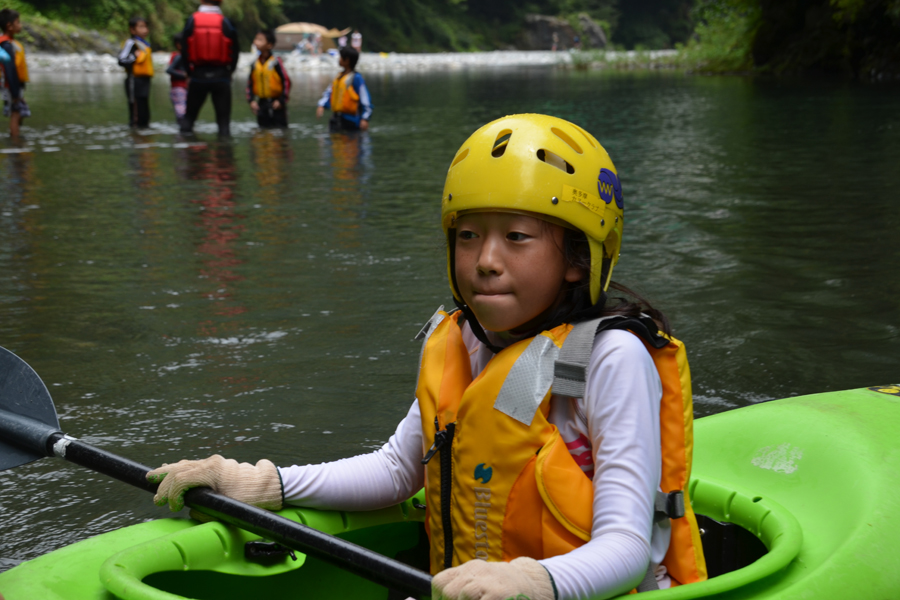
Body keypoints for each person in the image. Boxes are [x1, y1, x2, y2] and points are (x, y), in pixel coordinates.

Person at [146, 114, 707, 600]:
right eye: (468, 236)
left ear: (578, 259)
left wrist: (533, 582)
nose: (485, 260)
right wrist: (261, 482)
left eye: (515, 236)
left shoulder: (611, 358)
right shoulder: (465, 341)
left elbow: (628, 545)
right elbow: (397, 468)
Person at [179, 0, 239, 136]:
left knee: (188, 120)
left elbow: (184, 49)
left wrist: (188, 72)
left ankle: (185, 153)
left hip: (198, 76)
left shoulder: (191, 20)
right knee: (224, 124)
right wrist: (230, 71)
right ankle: (225, 153)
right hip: (221, 76)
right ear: (221, 2)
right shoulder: (226, 22)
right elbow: (235, 50)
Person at [315, 46, 371, 132]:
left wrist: (365, 118)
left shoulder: (356, 78)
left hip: (351, 121)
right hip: (336, 118)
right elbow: (329, 93)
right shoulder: (339, 77)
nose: (339, 59)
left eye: (341, 57)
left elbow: (365, 100)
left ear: (347, 60)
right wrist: (321, 105)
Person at [246, 29, 291, 129]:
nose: (255, 42)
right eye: (256, 39)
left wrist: (281, 100)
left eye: (260, 40)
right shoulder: (255, 63)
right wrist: (251, 101)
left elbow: (286, 81)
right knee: (262, 129)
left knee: (280, 130)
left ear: (269, 45)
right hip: (261, 103)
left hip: (277, 103)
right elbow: (250, 83)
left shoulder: (276, 62)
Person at [117, 16, 154, 129]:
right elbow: (121, 60)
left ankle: (144, 132)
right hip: (134, 81)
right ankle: (136, 135)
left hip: (144, 81)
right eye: (141, 27)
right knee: (136, 111)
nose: (145, 30)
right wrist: (133, 57)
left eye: (146, 27)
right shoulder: (131, 43)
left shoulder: (144, 44)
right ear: (132, 30)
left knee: (144, 110)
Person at [0, 8, 30, 138]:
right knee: (16, 112)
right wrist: (15, 91)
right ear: (9, 26)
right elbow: (9, 69)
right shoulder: (7, 45)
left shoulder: (11, 43)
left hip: (15, 84)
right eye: (18, 22)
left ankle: (15, 135)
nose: (20, 25)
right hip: (11, 85)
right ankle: (16, 143)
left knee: (19, 111)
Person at [166, 33, 189, 128]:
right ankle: (183, 131)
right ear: (179, 45)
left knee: (183, 111)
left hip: (183, 88)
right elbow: (169, 70)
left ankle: (182, 131)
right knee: (181, 112)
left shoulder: (183, 56)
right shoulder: (178, 56)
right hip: (178, 88)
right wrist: (184, 75)